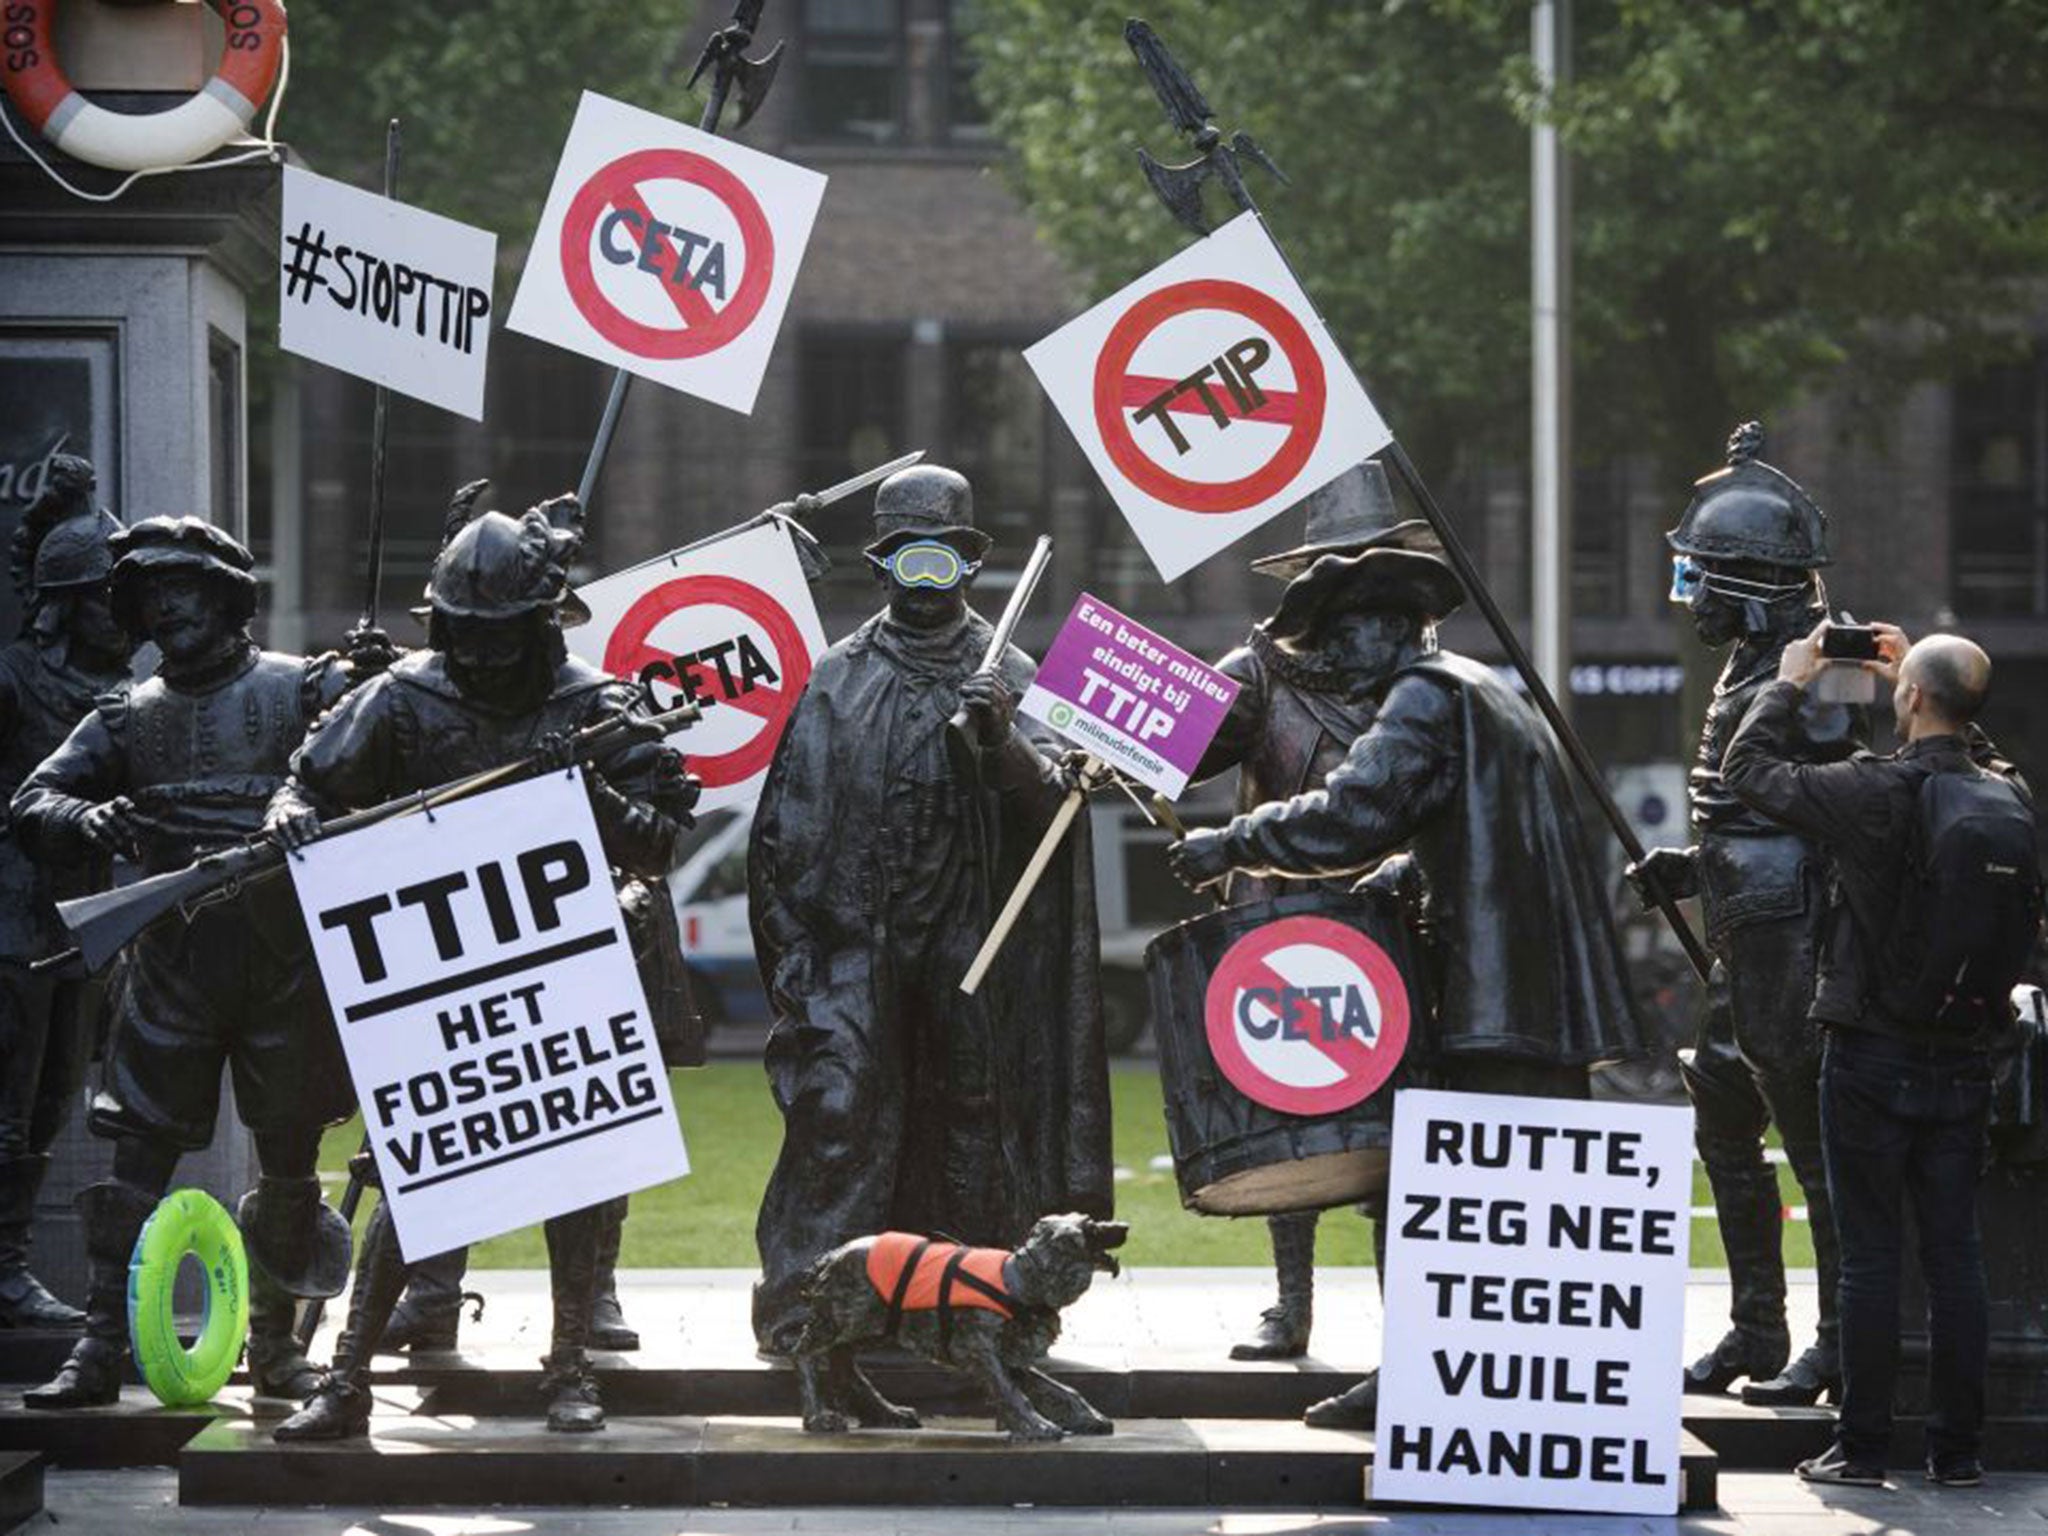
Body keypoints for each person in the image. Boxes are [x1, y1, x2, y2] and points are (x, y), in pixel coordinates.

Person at [1168, 519, 1644, 1428]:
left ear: (1386, 625)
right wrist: (1412, 870)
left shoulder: (1423, 698)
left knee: (1431, 1193)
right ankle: (1501, 1391)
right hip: (1530, 991)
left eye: (1339, 636)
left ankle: (1431, 1383)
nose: (1332, 660)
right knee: (1504, 1203)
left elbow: (1357, 809)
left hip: (1492, 993)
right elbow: (1475, 824)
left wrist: (1227, 840)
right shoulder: (1484, 691)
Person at [264, 490, 698, 1439]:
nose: (485, 651)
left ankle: (572, 1367)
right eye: (466, 631)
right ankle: (345, 1382)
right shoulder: (401, 695)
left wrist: (583, 787)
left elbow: (659, 846)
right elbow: (309, 776)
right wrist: (290, 813)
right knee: (418, 1171)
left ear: (542, 622)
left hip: (566, 968)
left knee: (575, 1177)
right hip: (435, 976)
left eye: (503, 632)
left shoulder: (599, 706)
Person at [747, 464, 1113, 1356]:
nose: (925, 582)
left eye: (940, 562)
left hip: (975, 936)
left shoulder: (1017, 673)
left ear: (967, 565)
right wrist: (800, 958)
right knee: (840, 1108)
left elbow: (1058, 814)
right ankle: (809, 1301)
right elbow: (786, 830)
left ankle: (967, 1303)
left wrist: (1002, 744)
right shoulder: (840, 676)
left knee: (972, 1114)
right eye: (909, 563)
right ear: (881, 569)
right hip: (858, 940)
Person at [13, 517, 359, 1407]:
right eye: (150, 594)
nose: (169, 606)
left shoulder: (303, 689)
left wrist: (371, 675)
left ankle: (276, 1348)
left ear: (227, 595)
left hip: (286, 966)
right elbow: (35, 798)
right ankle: (98, 1347)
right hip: (172, 968)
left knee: (288, 1163)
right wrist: (84, 820)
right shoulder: (125, 715)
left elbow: (383, 743)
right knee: (132, 1165)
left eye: (186, 587)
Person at [1724, 623, 2029, 1489]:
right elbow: (1984, 761)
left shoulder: (1869, 791)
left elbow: (1746, 777)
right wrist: (1934, 683)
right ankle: (1957, 1453)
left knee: (1869, 1259)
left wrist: (1788, 682)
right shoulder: (2007, 794)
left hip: (1869, 1051)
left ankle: (1861, 1449)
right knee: (1954, 1256)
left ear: (1908, 699)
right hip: (1964, 1053)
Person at [1186, 461, 1449, 1362]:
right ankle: (1289, 1306)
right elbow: (1171, 757)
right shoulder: (1259, 675)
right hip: (1279, 929)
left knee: (1401, 1134)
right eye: (1339, 573)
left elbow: (1449, 809)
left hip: (1394, 930)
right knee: (1286, 1119)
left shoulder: (1432, 684)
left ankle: (1404, 1323)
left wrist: (1411, 866)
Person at [1629, 422, 1859, 1406]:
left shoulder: (1812, 683)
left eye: (1696, 581)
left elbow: (1820, 814)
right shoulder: (1745, 670)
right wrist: (1690, 865)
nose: (1686, 601)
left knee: (1815, 1149)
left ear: (1751, 585)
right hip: (1737, 938)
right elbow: (1745, 808)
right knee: (1722, 1124)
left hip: (1786, 945)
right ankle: (1755, 1329)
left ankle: (1841, 1342)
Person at [0, 457, 131, 1329]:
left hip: (82, 922)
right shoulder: (13, 678)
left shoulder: (126, 697)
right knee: (9, 1101)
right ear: (65, 605)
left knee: (51, 1102)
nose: (126, 620)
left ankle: (7, 1266)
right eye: (107, 602)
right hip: (11, 914)